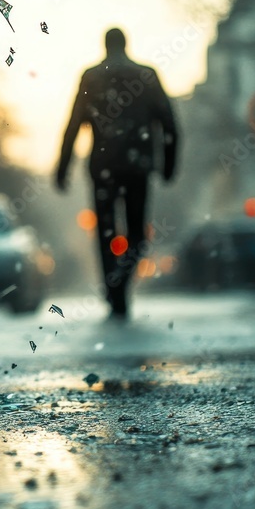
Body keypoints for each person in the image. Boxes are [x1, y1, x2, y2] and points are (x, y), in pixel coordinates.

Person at [55, 28, 178, 319]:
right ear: (126, 45)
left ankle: (114, 288)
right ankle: (121, 282)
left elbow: (73, 125)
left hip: (103, 167)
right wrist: (168, 165)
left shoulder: (92, 77)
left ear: (105, 46)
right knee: (137, 233)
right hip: (137, 167)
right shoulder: (146, 76)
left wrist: (62, 168)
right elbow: (169, 123)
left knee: (105, 232)